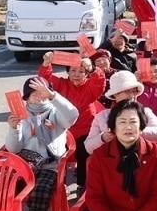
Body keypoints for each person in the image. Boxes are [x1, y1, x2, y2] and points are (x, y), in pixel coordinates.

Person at [5, 76, 80, 211]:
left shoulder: (56, 113)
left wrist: (53, 96)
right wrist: (14, 129)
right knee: (5, 189)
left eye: (42, 94)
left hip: (50, 165)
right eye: (33, 94)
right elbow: (13, 148)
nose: (39, 97)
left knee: (40, 191)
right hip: (27, 164)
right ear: (26, 98)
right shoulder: (21, 115)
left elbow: (73, 115)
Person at [39, 51, 108, 192]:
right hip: (63, 130)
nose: (77, 74)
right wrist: (46, 63)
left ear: (86, 74)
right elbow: (45, 80)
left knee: (84, 155)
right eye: (73, 70)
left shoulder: (90, 87)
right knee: (56, 154)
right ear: (68, 72)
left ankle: (82, 185)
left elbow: (100, 81)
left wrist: (93, 69)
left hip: (86, 130)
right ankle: (58, 184)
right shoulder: (61, 85)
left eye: (81, 71)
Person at [85, 71, 157, 156]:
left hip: (142, 159)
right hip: (111, 161)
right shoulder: (102, 116)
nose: (132, 95)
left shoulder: (145, 112)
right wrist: (102, 138)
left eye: (134, 91)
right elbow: (88, 147)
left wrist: (137, 131)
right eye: (127, 91)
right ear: (115, 94)